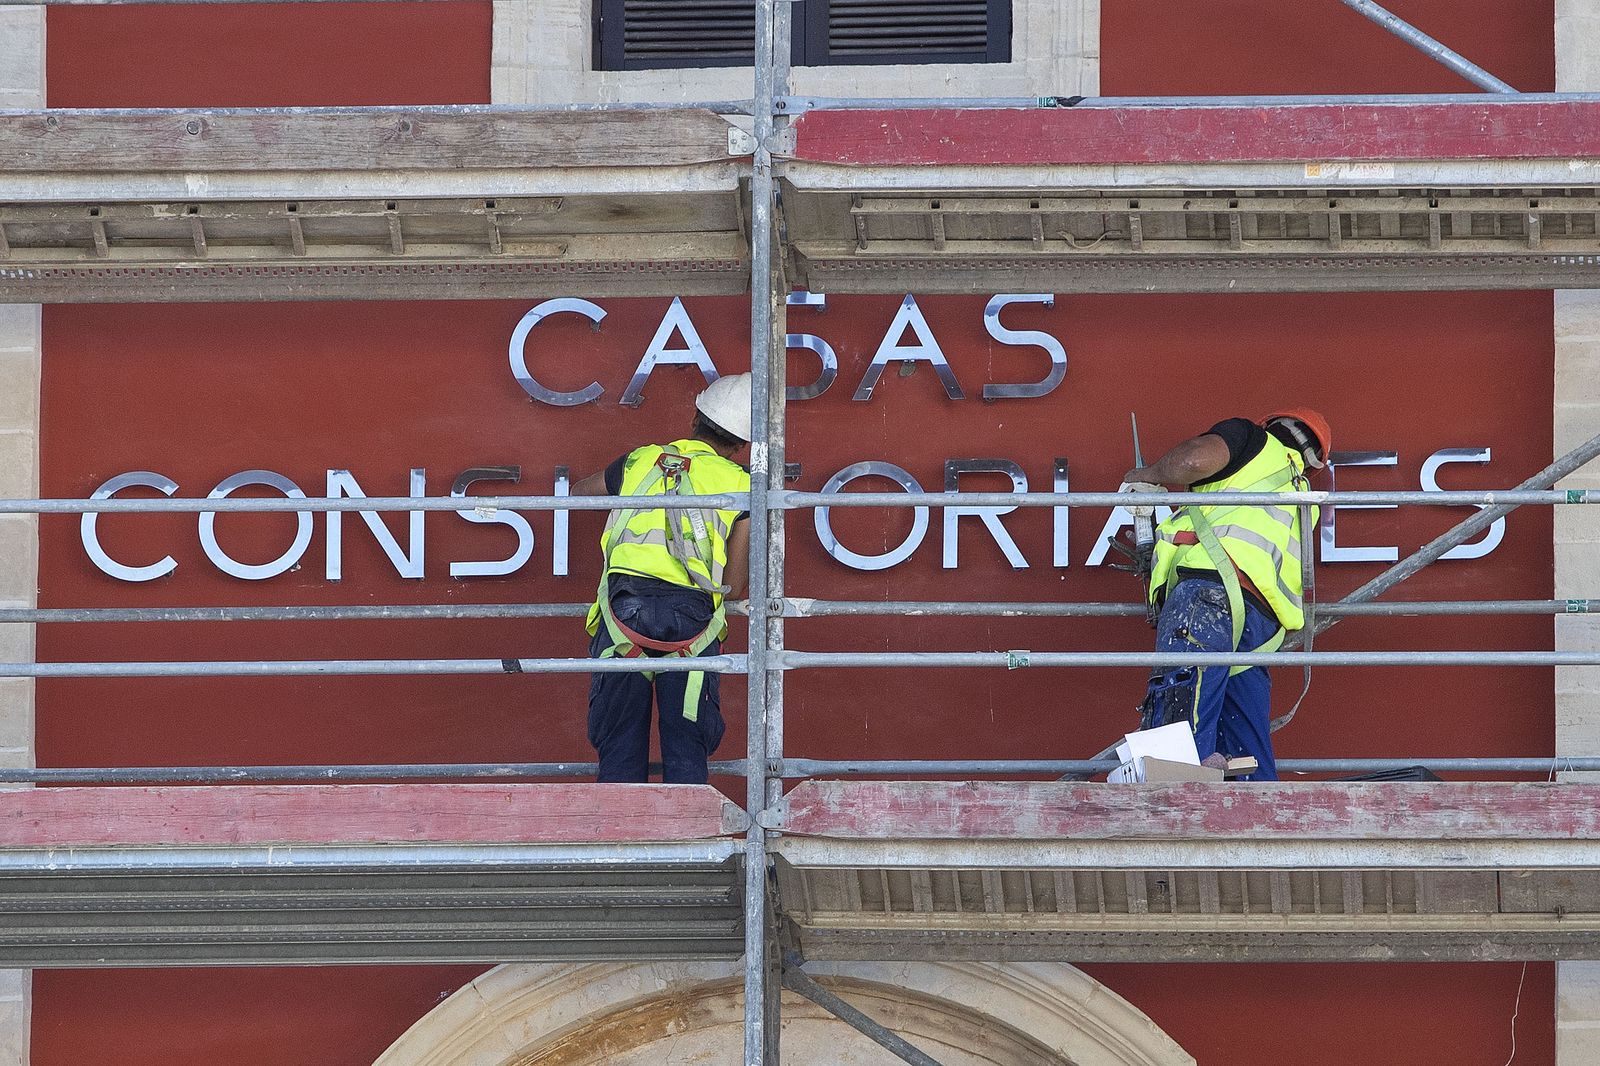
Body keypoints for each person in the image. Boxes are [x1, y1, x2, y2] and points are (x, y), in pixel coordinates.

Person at [1122, 410, 1331, 781]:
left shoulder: (1252, 439)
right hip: (1260, 628)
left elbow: (1193, 460)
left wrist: (1149, 475)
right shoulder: (1303, 497)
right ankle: (1261, 825)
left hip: (1209, 596)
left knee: (1177, 722)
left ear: (1271, 427)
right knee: (1245, 747)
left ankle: (1172, 817)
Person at [570, 374, 752, 784]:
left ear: (694, 419)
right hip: (691, 624)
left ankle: (621, 841)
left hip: (623, 617)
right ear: (742, 446)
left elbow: (580, 492)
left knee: (618, 744)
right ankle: (686, 845)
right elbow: (735, 585)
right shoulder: (742, 485)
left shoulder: (640, 460)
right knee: (687, 744)